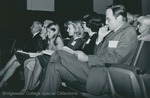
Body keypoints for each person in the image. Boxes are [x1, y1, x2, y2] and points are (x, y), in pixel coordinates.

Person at [38, 4, 138, 97]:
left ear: (119, 18)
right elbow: (98, 54)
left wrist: (87, 58)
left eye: (108, 19)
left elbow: (116, 59)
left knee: (59, 53)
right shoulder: (112, 32)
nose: (106, 22)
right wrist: (99, 39)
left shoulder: (128, 32)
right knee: (54, 66)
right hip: (95, 69)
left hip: (104, 74)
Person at [22, 20, 85, 92]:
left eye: (69, 28)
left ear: (76, 29)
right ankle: (31, 85)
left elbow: (61, 53)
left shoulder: (78, 41)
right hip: (60, 60)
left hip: (64, 62)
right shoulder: (71, 39)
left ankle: (33, 85)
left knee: (40, 59)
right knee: (36, 59)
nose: (67, 30)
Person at [0, 21, 46, 88]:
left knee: (16, 55)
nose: (30, 27)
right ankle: (2, 82)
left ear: (37, 29)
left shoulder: (39, 37)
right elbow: (30, 48)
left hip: (33, 57)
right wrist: (22, 50)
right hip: (29, 55)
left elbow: (37, 51)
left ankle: (2, 72)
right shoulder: (34, 37)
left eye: (32, 26)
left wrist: (23, 51)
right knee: (15, 63)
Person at [21, 22, 64, 92]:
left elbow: (60, 54)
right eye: (47, 32)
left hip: (55, 61)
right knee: (28, 61)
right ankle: (28, 85)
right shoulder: (50, 39)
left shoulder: (58, 39)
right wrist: (44, 51)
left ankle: (33, 84)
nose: (47, 34)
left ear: (55, 32)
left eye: (49, 32)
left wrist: (46, 52)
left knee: (38, 59)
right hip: (49, 59)